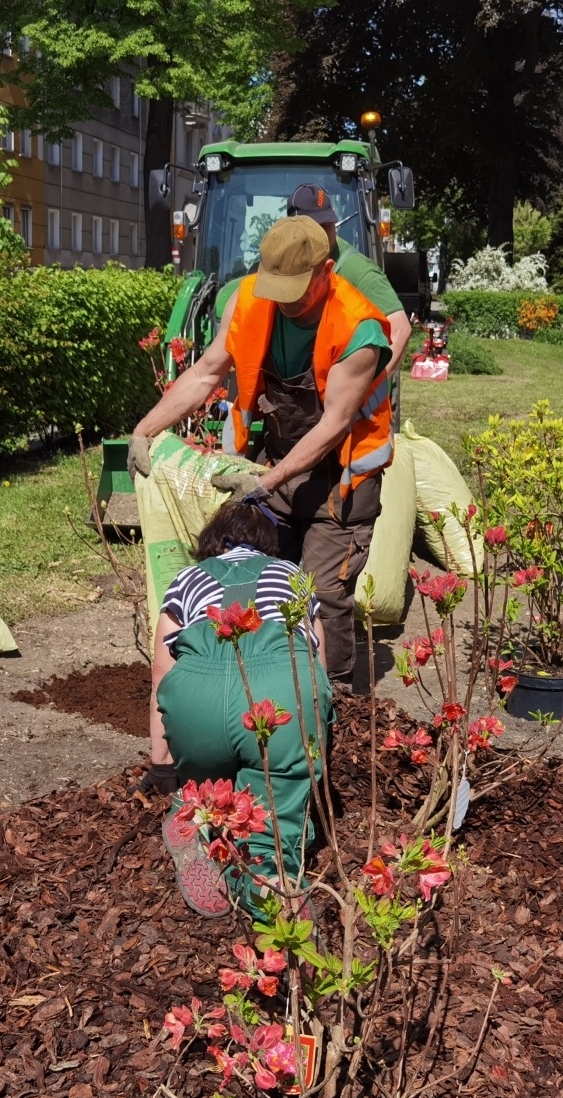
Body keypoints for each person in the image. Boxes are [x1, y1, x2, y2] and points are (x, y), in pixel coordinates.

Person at [127, 215, 393, 689]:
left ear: (326, 269)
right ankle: (267, 688)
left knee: (323, 592)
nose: (283, 300)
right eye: (276, 285)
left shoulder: (359, 329)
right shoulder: (249, 300)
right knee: (263, 579)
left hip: (342, 482)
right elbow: (208, 372)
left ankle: (330, 703)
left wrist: (264, 482)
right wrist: (143, 430)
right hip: (277, 466)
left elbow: (333, 426)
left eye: (296, 288)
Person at [144, 502, 332, 918]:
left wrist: (162, 766)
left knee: (211, 779)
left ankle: (193, 812)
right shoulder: (293, 575)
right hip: (278, 691)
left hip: (198, 697)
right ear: (268, 545)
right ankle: (267, 879)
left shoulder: (185, 580)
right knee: (275, 806)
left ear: (213, 543)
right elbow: (316, 664)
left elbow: (162, 669)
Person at [213, 185, 413, 379]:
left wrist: (368, 388)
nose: (323, 233)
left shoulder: (356, 270)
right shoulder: (276, 265)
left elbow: (400, 329)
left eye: (327, 225)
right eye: (314, 226)